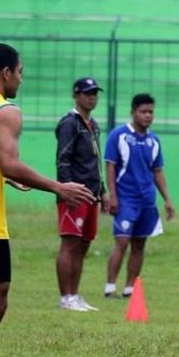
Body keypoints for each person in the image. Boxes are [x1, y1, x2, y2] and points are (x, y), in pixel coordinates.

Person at [0, 43, 95, 357]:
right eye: (20, 73)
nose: (21, 80)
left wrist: (1, 176)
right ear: (6, 73)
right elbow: (10, 162)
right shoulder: (5, 111)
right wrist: (59, 187)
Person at [104, 93, 174, 298]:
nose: (148, 115)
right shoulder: (119, 135)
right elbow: (110, 166)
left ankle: (130, 288)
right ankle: (110, 286)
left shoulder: (154, 140)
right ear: (133, 112)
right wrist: (112, 195)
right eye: (143, 111)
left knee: (139, 244)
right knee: (122, 241)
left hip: (147, 200)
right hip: (125, 199)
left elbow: (157, 170)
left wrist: (167, 199)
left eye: (151, 112)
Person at [55, 77, 108, 312]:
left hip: (91, 195)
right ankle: (65, 297)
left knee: (83, 245)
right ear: (76, 95)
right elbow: (63, 159)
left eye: (95, 93)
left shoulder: (93, 124)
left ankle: (75, 295)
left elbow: (95, 162)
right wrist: (67, 189)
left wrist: (103, 191)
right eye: (87, 93)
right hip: (74, 194)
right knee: (70, 243)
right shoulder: (70, 123)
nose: (92, 97)